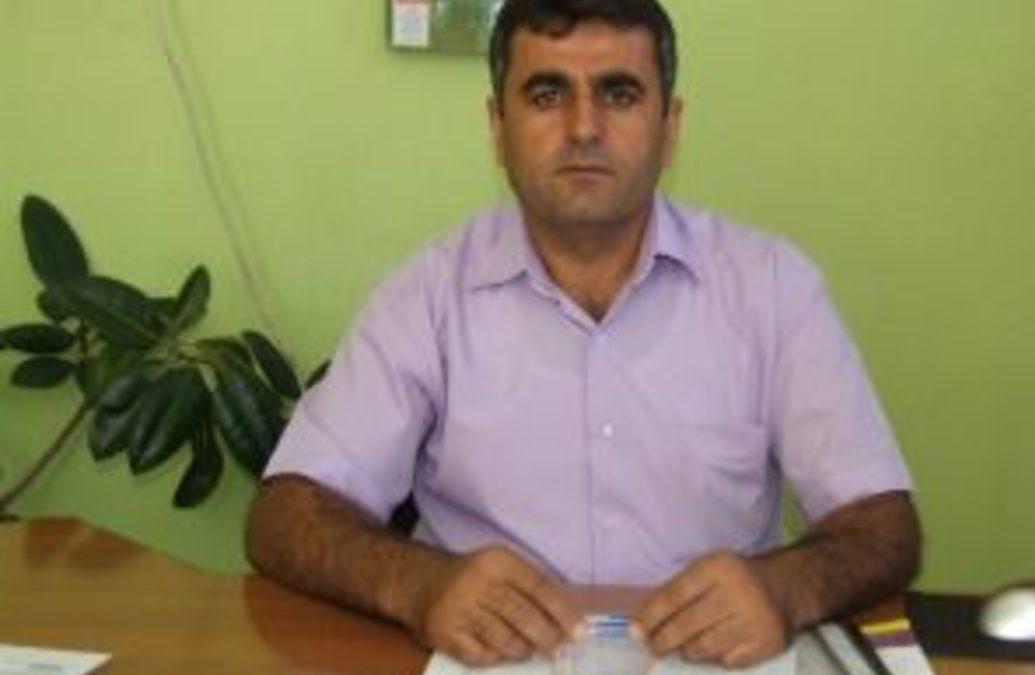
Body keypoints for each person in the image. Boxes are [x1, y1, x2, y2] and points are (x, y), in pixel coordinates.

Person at [247, 0, 921, 668]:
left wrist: (786, 587)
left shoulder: (771, 286)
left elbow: (885, 527)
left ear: (670, 127)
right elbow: (284, 516)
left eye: (619, 94)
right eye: (547, 95)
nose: (583, 128)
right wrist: (420, 584)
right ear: (497, 127)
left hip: (717, 661)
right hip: (488, 661)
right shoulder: (426, 295)